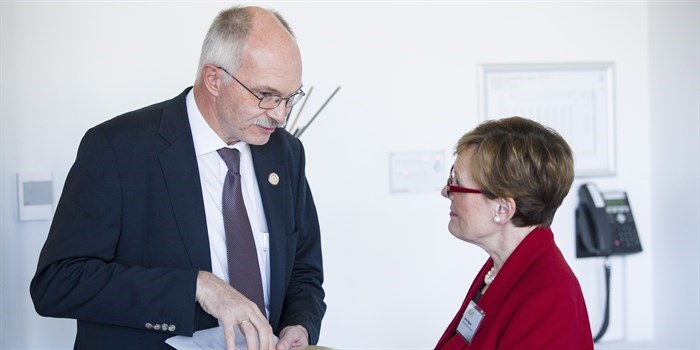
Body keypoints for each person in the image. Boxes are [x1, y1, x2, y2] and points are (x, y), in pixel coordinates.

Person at [30, 6, 325, 350]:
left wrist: (298, 326)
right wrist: (198, 287)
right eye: (266, 96)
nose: (280, 115)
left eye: (290, 98)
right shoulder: (117, 148)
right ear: (214, 79)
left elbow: (304, 271)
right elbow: (59, 283)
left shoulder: (285, 153)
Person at [434, 117, 593, 349]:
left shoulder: (550, 298)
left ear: (502, 209)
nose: (445, 192)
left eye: (456, 183)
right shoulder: (499, 268)